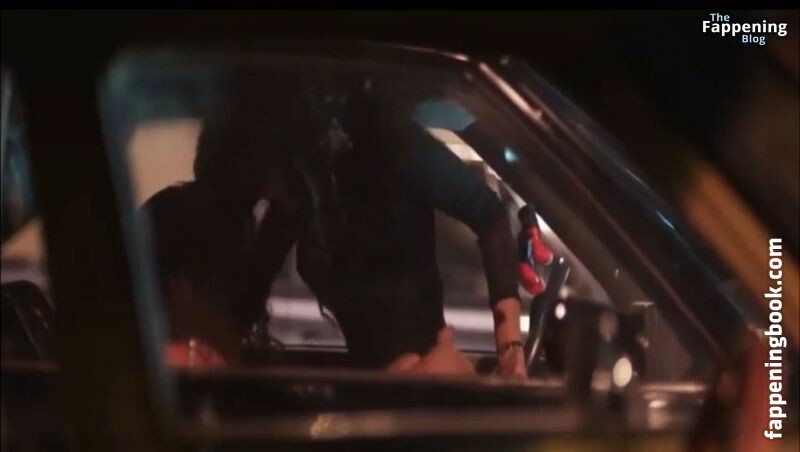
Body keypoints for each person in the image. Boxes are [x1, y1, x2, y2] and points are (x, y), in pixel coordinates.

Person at [293, 84, 528, 377]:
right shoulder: (306, 168)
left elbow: (489, 214)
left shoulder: (391, 144)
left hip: (416, 374)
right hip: (398, 379)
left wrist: (510, 350)